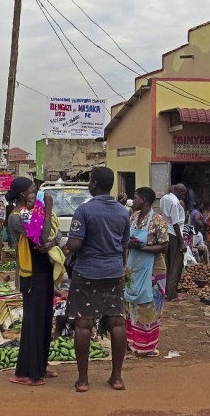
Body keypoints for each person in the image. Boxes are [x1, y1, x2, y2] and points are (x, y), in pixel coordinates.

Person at [66, 167, 130, 392]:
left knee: (84, 323)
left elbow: (75, 244)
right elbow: (124, 246)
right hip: (114, 272)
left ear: (94, 184)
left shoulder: (84, 211)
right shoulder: (123, 212)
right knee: (117, 321)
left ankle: (83, 380)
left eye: (90, 181)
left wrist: (62, 248)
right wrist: (121, 268)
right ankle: (117, 378)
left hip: (87, 273)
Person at [6, 178, 57, 387]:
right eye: (32, 191)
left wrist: (52, 241)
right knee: (33, 322)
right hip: (31, 274)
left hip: (44, 270)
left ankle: (40, 367)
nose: (36, 194)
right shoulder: (18, 216)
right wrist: (49, 209)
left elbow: (55, 233)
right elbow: (42, 235)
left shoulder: (35, 211)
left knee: (45, 319)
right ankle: (26, 372)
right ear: (21, 196)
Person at [125, 187, 169, 357]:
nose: (133, 200)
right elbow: (126, 240)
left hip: (153, 268)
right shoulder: (133, 217)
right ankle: (133, 342)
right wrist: (130, 244)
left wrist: (143, 247)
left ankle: (146, 347)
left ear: (143, 200)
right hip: (134, 266)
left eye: (135, 198)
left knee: (149, 306)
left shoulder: (158, 220)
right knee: (132, 304)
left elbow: (164, 247)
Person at [160, 183, 187, 301]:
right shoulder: (175, 203)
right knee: (176, 264)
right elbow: (175, 223)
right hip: (175, 235)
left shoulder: (164, 198)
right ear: (177, 190)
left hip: (166, 233)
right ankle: (171, 294)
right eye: (182, 193)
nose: (183, 196)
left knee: (168, 263)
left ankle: (166, 291)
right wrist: (182, 242)